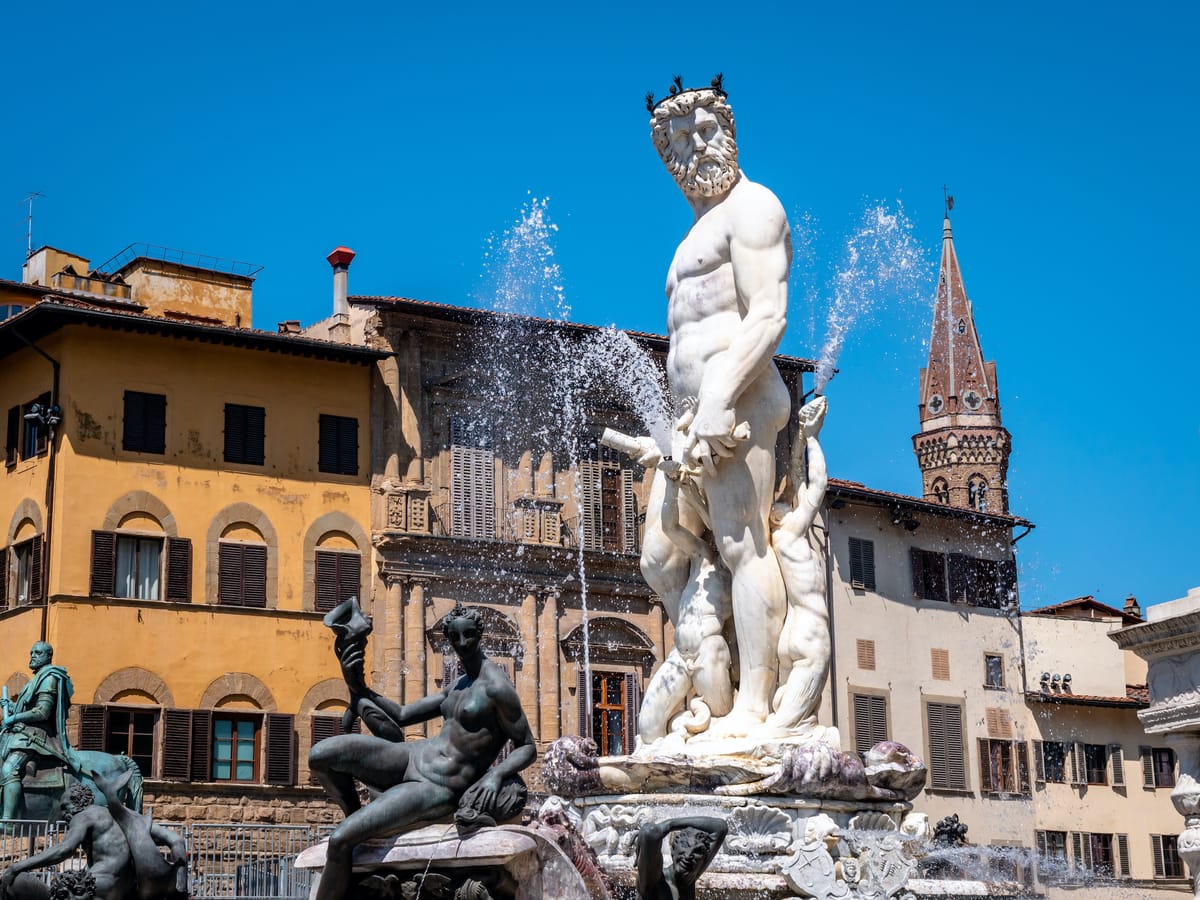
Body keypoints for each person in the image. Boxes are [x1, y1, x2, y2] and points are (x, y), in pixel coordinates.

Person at [647, 80, 792, 738]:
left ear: (729, 131)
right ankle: (711, 667)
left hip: (737, 403)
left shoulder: (754, 207)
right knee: (657, 557)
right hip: (686, 421)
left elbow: (768, 314)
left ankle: (755, 709)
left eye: (704, 128)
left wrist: (717, 395)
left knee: (744, 545)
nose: (693, 145)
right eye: (678, 137)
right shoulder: (687, 239)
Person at [308, 602, 537, 900]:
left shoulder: (497, 687)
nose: (463, 643)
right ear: (449, 639)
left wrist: (497, 775)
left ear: (480, 635)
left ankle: (356, 832)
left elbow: (528, 746)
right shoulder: (458, 684)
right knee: (321, 756)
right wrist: (360, 687)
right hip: (412, 757)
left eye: (469, 635)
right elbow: (402, 715)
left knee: (339, 841)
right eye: (455, 637)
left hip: (437, 786)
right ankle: (358, 819)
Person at [765, 396, 831, 735]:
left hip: (790, 636)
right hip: (810, 632)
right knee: (786, 730)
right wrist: (815, 437)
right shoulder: (792, 531)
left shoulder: (779, 538)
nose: (792, 501)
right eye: (785, 503)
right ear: (779, 515)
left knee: (798, 722)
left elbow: (796, 477)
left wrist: (800, 437)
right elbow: (815, 485)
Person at [0, 781, 184, 900]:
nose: (63, 814)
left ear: (78, 801)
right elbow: (177, 840)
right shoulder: (129, 816)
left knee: (18, 882)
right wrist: (180, 886)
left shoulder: (84, 816)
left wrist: (17, 867)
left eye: (65, 807)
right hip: (125, 890)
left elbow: (65, 849)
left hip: (94, 887)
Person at [1, 643, 79, 820]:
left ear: (48, 656)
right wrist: (13, 708)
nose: (32, 656)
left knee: (9, 768)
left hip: (36, 736)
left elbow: (42, 712)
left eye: (37, 653)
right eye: (31, 653)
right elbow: (30, 708)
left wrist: (14, 718)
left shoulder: (49, 677)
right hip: (23, 732)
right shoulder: (36, 679)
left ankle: (8, 821)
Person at [635, 816, 727, 900]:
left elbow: (721, 827)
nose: (688, 856)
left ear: (702, 860)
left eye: (697, 852)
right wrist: (666, 826)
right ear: (673, 848)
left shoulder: (689, 878)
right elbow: (650, 832)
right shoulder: (652, 881)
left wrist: (671, 824)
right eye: (685, 845)